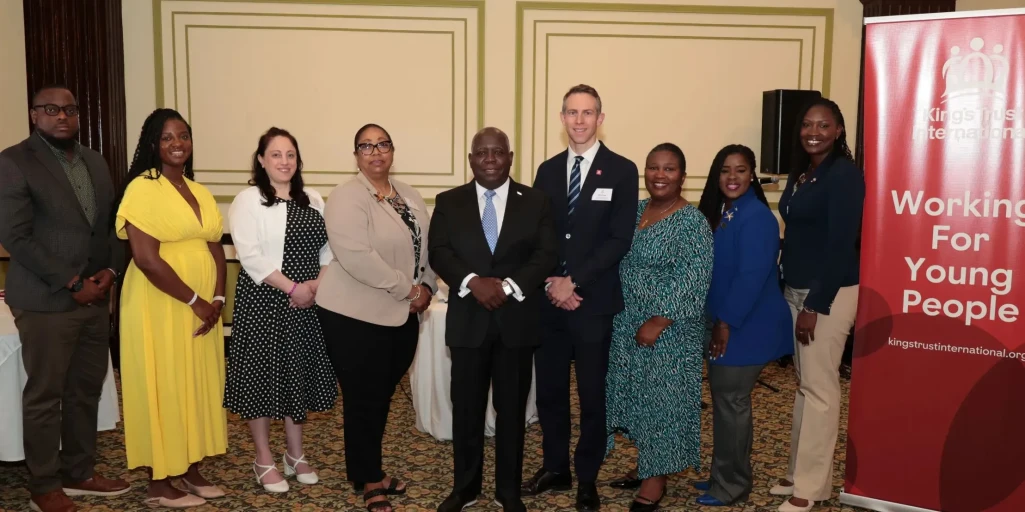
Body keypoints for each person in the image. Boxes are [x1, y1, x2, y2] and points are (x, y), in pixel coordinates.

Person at [0, 85, 130, 512]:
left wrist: (110, 272)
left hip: (95, 296)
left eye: (70, 110)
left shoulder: (94, 160)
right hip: (45, 299)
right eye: (51, 109)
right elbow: (15, 237)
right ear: (34, 115)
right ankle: (43, 486)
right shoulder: (15, 161)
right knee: (45, 395)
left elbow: (111, 225)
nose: (62, 117)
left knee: (85, 390)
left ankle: (79, 472)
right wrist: (73, 283)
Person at [429, 127, 557, 512]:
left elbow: (546, 253)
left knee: (512, 411)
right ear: (470, 160)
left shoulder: (535, 201)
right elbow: (439, 251)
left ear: (510, 157)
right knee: (466, 409)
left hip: (515, 323)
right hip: (468, 322)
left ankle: (508, 490)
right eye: (481, 152)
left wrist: (510, 286)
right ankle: (465, 488)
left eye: (497, 152)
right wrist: (472, 282)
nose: (489, 158)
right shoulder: (449, 201)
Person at [525, 84, 639, 512]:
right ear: (561, 117)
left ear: (600, 119)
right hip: (550, 302)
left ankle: (587, 475)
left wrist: (575, 282)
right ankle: (556, 467)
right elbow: (541, 236)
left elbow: (619, 239)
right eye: (572, 112)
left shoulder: (622, 171)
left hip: (592, 302)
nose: (579, 120)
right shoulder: (547, 171)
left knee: (593, 395)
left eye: (587, 113)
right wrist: (554, 282)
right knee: (551, 393)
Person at [316, 123, 438, 512]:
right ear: (356, 155)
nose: (375, 152)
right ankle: (370, 479)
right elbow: (357, 258)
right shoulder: (346, 197)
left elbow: (428, 249)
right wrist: (409, 289)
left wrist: (429, 287)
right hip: (355, 316)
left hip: (401, 315)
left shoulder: (409, 195)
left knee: (380, 397)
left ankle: (366, 466)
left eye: (382, 144)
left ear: (392, 150)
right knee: (363, 398)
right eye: (366, 146)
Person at [116, 108, 228, 509]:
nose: (177, 143)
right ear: (152, 145)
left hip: (202, 304)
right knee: (163, 382)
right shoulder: (142, 189)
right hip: (159, 302)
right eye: (167, 137)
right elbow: (146, 258)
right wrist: (196, 301)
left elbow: (214, 245)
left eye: (183, 135)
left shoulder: (198, 191)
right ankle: (160, 480)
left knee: (197, 382)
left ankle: (190, 466)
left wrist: (217, 299)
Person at [224, 127, 337, 493]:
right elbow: (250, 255)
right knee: (261, 378)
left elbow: (329, 251)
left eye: (290, 155)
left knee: (297, 376)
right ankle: (262, 459)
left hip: (307, 303)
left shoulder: (315, 199)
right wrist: (293, 288)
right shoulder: (249, 199)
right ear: (261, 160)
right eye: (276, 154)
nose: (284, 162)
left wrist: (314, 287)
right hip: (265, 301)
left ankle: (295, 454)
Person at [604, 143, 713, 511]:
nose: (660, 175)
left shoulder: (691, 222)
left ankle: (656, 480)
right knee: (637, 397)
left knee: (662, 402)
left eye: (669, 169)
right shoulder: (634, 212)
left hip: (667, 331)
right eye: (653, 168)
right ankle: (646, 463)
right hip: (627, 322)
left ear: (683, 176)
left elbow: (694, 279)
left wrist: (658, 321)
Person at [772, 98, 864, 512]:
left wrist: (815, 303)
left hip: (827, 294)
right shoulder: (804, 172)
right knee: (805, 387)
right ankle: (799, 471)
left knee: (821, 389)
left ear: (839, 130)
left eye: (823, 125)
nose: (814, 131)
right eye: (807, 124)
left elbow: (841, 244)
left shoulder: (844, 175)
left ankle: (810, 488)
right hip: (796, 289)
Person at [693, 144, 793, 507]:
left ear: (752, 175)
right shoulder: (728, 211)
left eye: (740, 170)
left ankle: (733, 485)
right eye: (724, 170)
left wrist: (724, 323)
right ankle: (723, 475)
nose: (732, 177)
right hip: (728, 324)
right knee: (725, 404)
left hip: (744, 327)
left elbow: (751, 277)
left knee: (732, 405)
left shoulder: (757, 217)